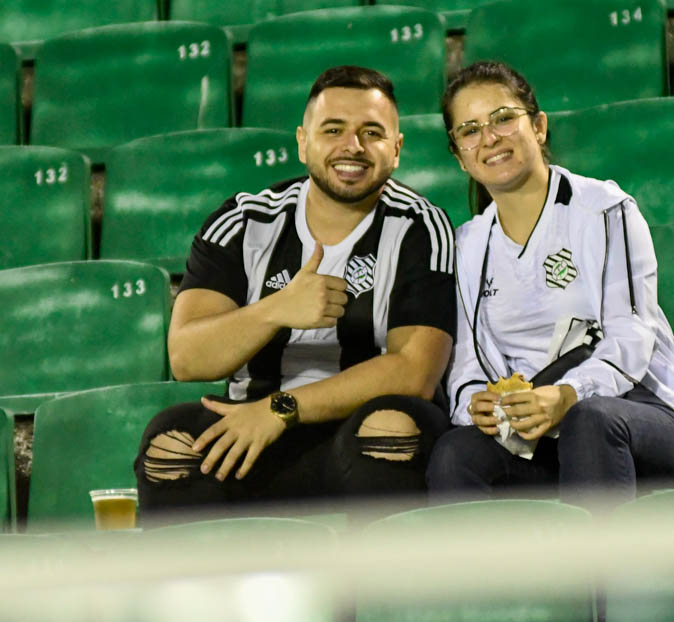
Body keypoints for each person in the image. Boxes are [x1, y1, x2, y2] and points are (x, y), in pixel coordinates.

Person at [134, 66, 455, 517]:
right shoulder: (244, 221)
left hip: (356, 432)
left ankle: (376, 588)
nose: (353, 147)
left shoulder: (421, 227)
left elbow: (414, 373)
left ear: (396, 149)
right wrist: (275, 310)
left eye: (372, 132)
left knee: (391, 429)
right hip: (252, 430)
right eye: (334, 129)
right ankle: (200, 589)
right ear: (303, 141)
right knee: (171, 446)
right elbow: (188, 357)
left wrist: (282, 408)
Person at [426, 61, 674, 509]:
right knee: (454, 454)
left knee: (590, 421)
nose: (489, 138)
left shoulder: (604, 208)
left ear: (538, 127)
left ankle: (599, 581)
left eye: (504, 119)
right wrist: (475, 403)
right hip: (539, 438)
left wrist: (568, 394)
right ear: (459, 154)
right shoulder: (467, 244)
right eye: (469, 130)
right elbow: (469, 361)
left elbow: (631, 336)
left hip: (647, 416)